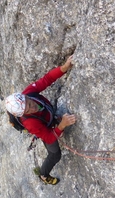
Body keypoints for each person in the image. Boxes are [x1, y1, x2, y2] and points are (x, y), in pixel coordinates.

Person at [5, 56, 76, 185]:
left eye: (29, 102)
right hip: (45, 128)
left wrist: (64, 68)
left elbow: (47, 79)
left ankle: (53, 121)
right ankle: (43, 174)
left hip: (48, 118)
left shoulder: (29, 92)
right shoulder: (30, 123)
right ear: (23, 114)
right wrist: (62, 125)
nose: (33, 107)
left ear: (25, 96)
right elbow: (49, 138)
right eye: (28, 110)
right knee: (55, 155)